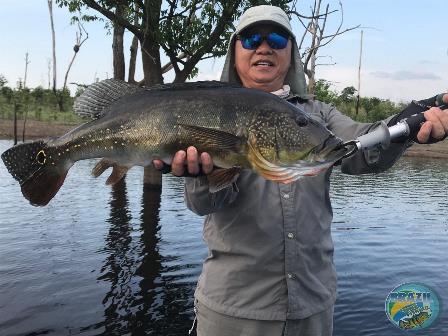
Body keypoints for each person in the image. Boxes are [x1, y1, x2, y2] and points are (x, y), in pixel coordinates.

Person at [153, 5, 448, 336]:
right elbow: (202, 205)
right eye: (251, 38)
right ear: (234, 52)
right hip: (234, 309)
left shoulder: (318, 117)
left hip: (313, 306)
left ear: (290, 53)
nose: (264, 46)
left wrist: (411, 121)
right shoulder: (207, 110)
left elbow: (361, 150)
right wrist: (203, 178)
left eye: (277, 38)